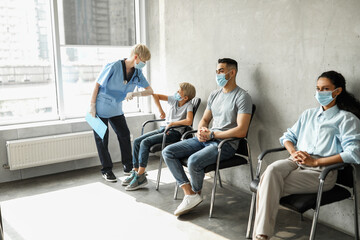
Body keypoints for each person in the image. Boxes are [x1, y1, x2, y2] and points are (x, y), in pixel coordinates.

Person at [253, 71, 360, 240]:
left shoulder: (346, 119)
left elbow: (353, 153)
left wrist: (316, 162)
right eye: (318, 89)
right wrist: (294, 153)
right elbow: (287, 137)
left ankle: (261, 235)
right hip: (295, 162)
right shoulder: (308, 114)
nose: (320, 93)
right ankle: (262, 235)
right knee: (272, 170)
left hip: (322, 171)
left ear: (337, 91)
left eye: (325, 89)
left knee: (267, 183)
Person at [162, 58, 253, 216]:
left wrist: (212, 134)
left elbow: (241, 131)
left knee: (193, 161)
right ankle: (190, 193)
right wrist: (201, 130)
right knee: (168, 151)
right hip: (207, 138)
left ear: (232, 72)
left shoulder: (242, 97)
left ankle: (196, 193)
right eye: (217, 71)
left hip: (225, 145)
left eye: (221, 71)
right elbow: (204, 119)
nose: (217, 74)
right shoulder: (214, 95)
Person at [89, 44, 154, 182]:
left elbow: (150, 91)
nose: (144, 64)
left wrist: (135, 93)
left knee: (124, 135)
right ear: (136, 57)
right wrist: (92, 106)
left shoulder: (137, 73)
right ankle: (106, 170)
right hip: (100, 107)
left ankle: (128, 166)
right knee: (102, 140)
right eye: (144, 61)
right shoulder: (113, 66)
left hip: (116, 108)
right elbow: (97, 85)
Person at [122, 82, 197, 191]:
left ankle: (141, 177)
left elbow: (189, 120)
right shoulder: (174, 100)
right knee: (137, 141)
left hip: (173, 133)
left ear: (185, 97)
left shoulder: (188, 105)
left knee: (145, 142)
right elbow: (155, 95)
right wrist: (161, 111)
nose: (176, 93)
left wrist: (172, 124)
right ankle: (135, 171)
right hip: (163, 129)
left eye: (179, 92)